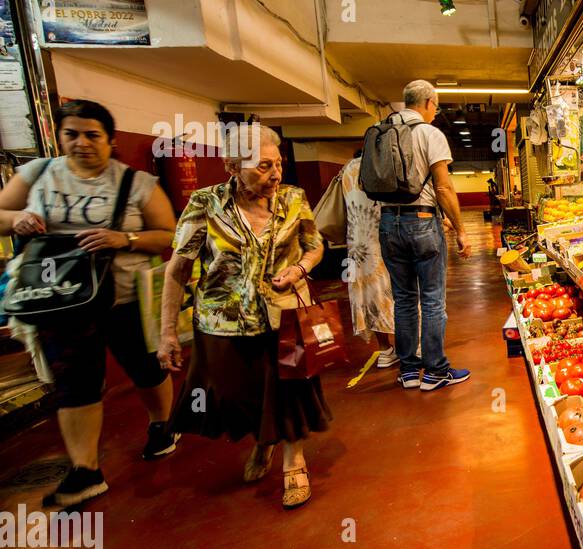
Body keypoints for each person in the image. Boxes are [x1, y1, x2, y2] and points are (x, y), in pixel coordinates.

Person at [0, 99, 178, 507]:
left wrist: (125, 239)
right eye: (72, 134)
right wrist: (17, 221)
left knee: (145, 367)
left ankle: (162, 424)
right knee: (73, 383)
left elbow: (170, 234)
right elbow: (1, 213)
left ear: (111, 140)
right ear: (59, 136)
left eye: (92, 135)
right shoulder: (37, 174)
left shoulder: (135, 184)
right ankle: (85, 470)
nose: (81, 143)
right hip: (59, 301)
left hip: (124, 297)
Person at [158, 125, 330, 509]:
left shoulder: (293, 199)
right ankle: (263, 439)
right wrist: (167, 331)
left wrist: (300, 269)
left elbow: (314, 246)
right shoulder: (205, 204)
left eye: (279, 164)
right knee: (237, 393)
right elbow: (178, 269)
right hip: (223, 321)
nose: (275, 174)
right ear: (232, 166)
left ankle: (294, 459)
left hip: (284, 314)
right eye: (264, 166)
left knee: (289, 387)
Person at [378, 79, 471, 391]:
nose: (436, 111)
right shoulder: (430, 133)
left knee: (404, 299)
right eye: (436, 105)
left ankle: (407, 370)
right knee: (432, 299)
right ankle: (435, 371)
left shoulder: (382, 132)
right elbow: (443, 187)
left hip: (389, 223)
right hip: (421, 220)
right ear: (429, 103)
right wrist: (459, 229)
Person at [338, 149, 396, 366]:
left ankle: (384, 350)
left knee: (368, 295)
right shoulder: (380, 168)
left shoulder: (347, 169)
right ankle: (405, 347)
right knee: (395, 291)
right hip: (382, 238)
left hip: (356, 244)